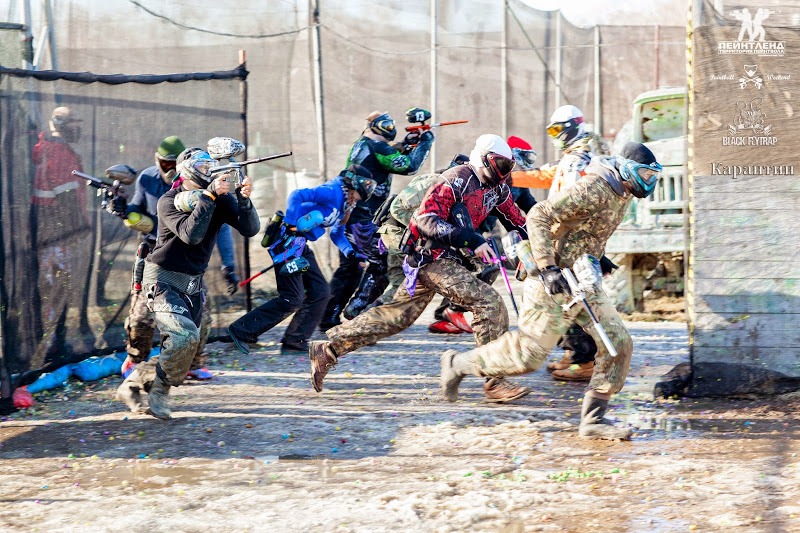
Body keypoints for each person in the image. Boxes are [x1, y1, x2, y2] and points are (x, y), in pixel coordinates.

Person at [439, 142, 662, 440]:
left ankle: (593, 420)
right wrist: (547, 267)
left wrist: (599, 258)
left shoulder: (622, 192)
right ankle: (457, 364)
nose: (649, 182)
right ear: (626, 169)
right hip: (552, 280)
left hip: (581, 280)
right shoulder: (594, 187)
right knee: (528, 356)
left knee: (618, 343)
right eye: (645, 175)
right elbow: (539, 214)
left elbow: (587, 230)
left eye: (653, 177)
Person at [309, 134, 531, 403]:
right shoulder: (456, 179)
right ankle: (495, 381)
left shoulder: (498, 189)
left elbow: (518, 221)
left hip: (445, 258)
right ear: (484, 159)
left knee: (396, 316)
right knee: (489, 303)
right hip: (429, 255)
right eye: (501, 165)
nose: (505, 172)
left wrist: (533, 246)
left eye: (509, 166)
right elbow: (426, 219)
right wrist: (472, 240)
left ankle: (328, 350)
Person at [138, 147, 260, 419]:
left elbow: (250, 229)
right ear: (188, 171)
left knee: (189, 342)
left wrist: (243, 200)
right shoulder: (168, 201)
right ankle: (159, 391)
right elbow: (190, 235)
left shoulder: (217, 199)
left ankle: (135, 381)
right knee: (184, 336)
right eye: (203, 167)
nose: (209, 171)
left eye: (210, 166)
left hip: (193, 282)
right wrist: (209, 196)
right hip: (162, 279)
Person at [112, 137, 236, 383]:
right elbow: (137, 208)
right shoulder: (147, 179)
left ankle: (193, 363)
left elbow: (222, 226)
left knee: (201, 317)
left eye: (173, 165)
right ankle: (135, 359)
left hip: (187, 257)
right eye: (164, 164)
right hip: (154, 255)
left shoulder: (200, 182)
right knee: (142, 317)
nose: (169, 170)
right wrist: (123, 209)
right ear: (157, 161)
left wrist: (228, 264)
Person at [226, 165, 377, 355]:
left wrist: (350, 252)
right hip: (285, 241)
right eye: (367, 184)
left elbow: (337, 234)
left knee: (320, 292)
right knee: (291, 297)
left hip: (300, 245)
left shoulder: (347, 204)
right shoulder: (332, 191)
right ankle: (240, 331)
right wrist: (290, 224)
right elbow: (296, 195)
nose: (368, 190)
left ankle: (294, 342)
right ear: (354, 182)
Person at [319, 110, 434, 331]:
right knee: (381, 261)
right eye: (387, 124)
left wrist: (406, 144)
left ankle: (330, 317)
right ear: (377, 126)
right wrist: (425, 142)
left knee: (351, 268)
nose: (391, 128)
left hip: (353, 214)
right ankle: (358, 311)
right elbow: (410, 166)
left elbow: (386, 157)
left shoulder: (362, 145)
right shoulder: (377, 147)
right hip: (361, 217)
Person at [29, 106, 94, 359]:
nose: (77, 128)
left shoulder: (48, 149)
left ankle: (50, 342)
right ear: (62, 125)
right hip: (56, 235)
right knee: (54, 290)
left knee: (52, 288)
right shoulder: (59, 153)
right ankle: (48, 348)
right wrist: (80, 229)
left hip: (48, 233)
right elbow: (67, 199)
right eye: (74, 123)